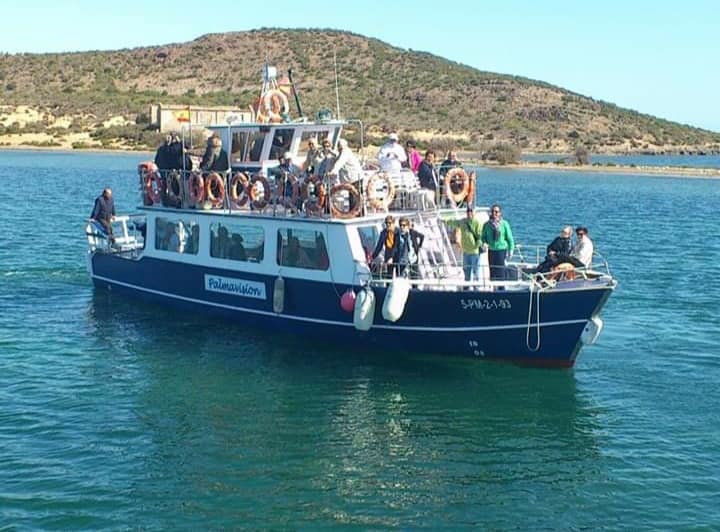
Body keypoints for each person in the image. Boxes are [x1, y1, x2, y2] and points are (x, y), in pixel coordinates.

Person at [445, 206, 484, 283]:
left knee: (476, 271)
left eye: (471, 211)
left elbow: (480, 236)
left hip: (474, 252)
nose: (469, 213)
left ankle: (476, 287)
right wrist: (445, 221)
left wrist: (476, 245)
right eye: (468, 211)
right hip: (466, 252)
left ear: (473, 213)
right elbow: (455, 222)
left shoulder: (477, 223)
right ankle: (467, 286)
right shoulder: (463, 222)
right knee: (466, 271)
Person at [481, 204, 515, 282]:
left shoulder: (504, 224)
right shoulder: (487, 225)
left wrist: (511, 250)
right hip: (491, 250)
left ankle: (501, 289)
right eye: (492, 211)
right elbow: (483, 237)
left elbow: (510, 238)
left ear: (500, 213)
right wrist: (484, 243)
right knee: (492, 272)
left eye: (496, 212)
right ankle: (494, 290)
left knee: (500, 272)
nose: (494, 213)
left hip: (501, 250)